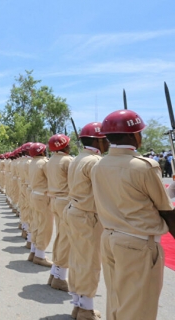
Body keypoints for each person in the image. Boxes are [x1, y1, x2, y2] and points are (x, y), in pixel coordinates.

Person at [91, 110, 172, 320]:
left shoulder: (99, 165)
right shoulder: (143, 166)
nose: (141, 137)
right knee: (138, 309)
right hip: (138, 244)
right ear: (131, 136)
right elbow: (165, 210)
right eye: (139, 133)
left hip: (110, 237)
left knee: (117, 303)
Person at [65, 122, 109, 320]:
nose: (109, 142)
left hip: (76, 211)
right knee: (89, 262)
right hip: (88, 215)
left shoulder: (79, 158)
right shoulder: (94, 161)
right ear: (98, 140)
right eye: (106, 138)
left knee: (78, 259)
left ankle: (79, 304)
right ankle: (85, 309)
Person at [46, 134, 73, 292]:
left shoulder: (51, 160)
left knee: (60, 236)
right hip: (65, 200)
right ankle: (60, 277)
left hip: (56, 199)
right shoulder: (67, 161)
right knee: (66, 239)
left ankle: (55, 273)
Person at [28, 142, 54, 267]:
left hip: (35, 194)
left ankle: (34, 251)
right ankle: (40, 255)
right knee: (45, 225)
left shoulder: (32, 162)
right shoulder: (44, 162)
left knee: (37, 223)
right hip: (43, 196)